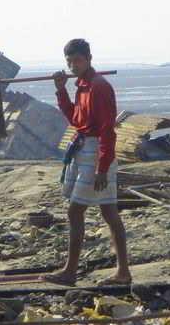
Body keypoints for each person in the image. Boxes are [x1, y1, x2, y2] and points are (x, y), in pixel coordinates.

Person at [39, 39, 132, 286]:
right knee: (109, 211)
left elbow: (106, 129)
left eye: (77, 61)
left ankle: (70, 271)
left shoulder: (99, 86)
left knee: (76, 210)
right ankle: (123, 272)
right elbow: (76, 120)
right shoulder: (82, 85)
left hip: (96, 152)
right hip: (84, 149)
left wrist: (103, 167)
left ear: (89, 58)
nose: (72, 66)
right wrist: (61, 90)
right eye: (69, 62)